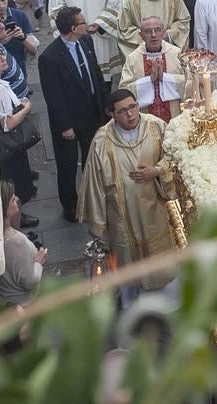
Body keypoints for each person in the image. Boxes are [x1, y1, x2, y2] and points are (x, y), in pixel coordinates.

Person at [77, 88, 176, 297]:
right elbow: (94, 185)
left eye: (133, 107)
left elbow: (175, 157)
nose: (130, 114)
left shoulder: (156, 126)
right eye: (122, 111)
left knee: (162, 269)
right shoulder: (102, 142)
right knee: (129, 274)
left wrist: (157, 170)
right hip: (122, 219)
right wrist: (98, 227)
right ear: (111, 114)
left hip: (155, 213)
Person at [38, 5, 108, 223]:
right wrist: (65, 126)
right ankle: (70, 204)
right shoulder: (49, 58)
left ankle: (93, 196)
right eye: (82, 22)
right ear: (72, 28)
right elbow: (53, 97)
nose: (86, 25)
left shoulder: (86, 42)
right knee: (68, 163)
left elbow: (96, 74)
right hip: (69, 118)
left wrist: (105, 106)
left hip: (91, 112)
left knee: (92, 157)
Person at [0, 47, 38, 228]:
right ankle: (17, 226)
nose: (3, 59)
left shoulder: (0, 84)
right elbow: (7, 123)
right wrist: (26, 109)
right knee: (15, 188)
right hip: (11, 146)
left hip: (12, 148)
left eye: (1, 55)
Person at [0, 181, 48, 307]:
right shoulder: (16, 243)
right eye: (12, 200)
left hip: (1, 297)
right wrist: (38, 262)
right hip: (23, 304)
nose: (16, 199)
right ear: (4, 208)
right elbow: (30, 282)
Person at [119, 17, 185, 122]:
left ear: (164, 33)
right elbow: (124, 92)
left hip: (175, 119)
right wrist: (149, 80)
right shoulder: (133, 58)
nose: (153, 35)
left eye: (157, 30)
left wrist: (165, 78)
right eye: (148, 31)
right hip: (145, 122)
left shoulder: (177, 54)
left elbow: (191, 83)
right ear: (141, 35)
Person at [0, 0, 39, 76]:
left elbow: (34, 50)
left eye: (3, 0)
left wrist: (23, 39)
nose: (1, 5)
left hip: (20, 73)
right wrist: (0, 44)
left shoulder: (19, 15)